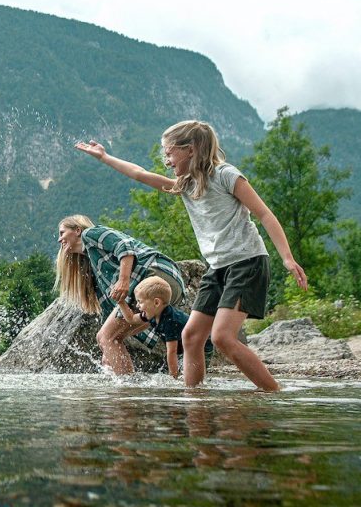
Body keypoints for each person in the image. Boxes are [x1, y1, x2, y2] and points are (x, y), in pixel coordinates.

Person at [75, 119, 308, 391]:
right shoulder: (185, 185)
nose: (166, 159)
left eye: (170, 152)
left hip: (247, 262)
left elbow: (265, 214)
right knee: (192, 336)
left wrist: (287, 258)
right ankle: (194, 399)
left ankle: (274, 393)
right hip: (218, 267)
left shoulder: (227, 175)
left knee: (222, 337)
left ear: (191, 149)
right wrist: (104, 157)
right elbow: (140, 174)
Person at [56, 214, 186, 374]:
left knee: (107, 337)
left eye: (62, 233)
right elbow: (108, 309)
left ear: (77, 230)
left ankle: (127, 390)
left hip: (156, 275)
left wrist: (123, 281)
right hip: (166, 287)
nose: (59, 239)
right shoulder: (94, 265)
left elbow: (125, 246)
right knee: (110, 338)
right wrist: (107, 350)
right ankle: (129, 388)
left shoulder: (90, 234)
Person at [116, 276, 213, 379]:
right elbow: (131, 319)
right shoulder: (153, 314)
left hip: (202, 346)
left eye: (140, 301)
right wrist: (121, 302)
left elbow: (172, 352)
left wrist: (173, 379)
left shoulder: (171, 321)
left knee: (193, 378)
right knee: (185, 374)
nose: (137, 306)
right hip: (187, 347)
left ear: (156, 302)